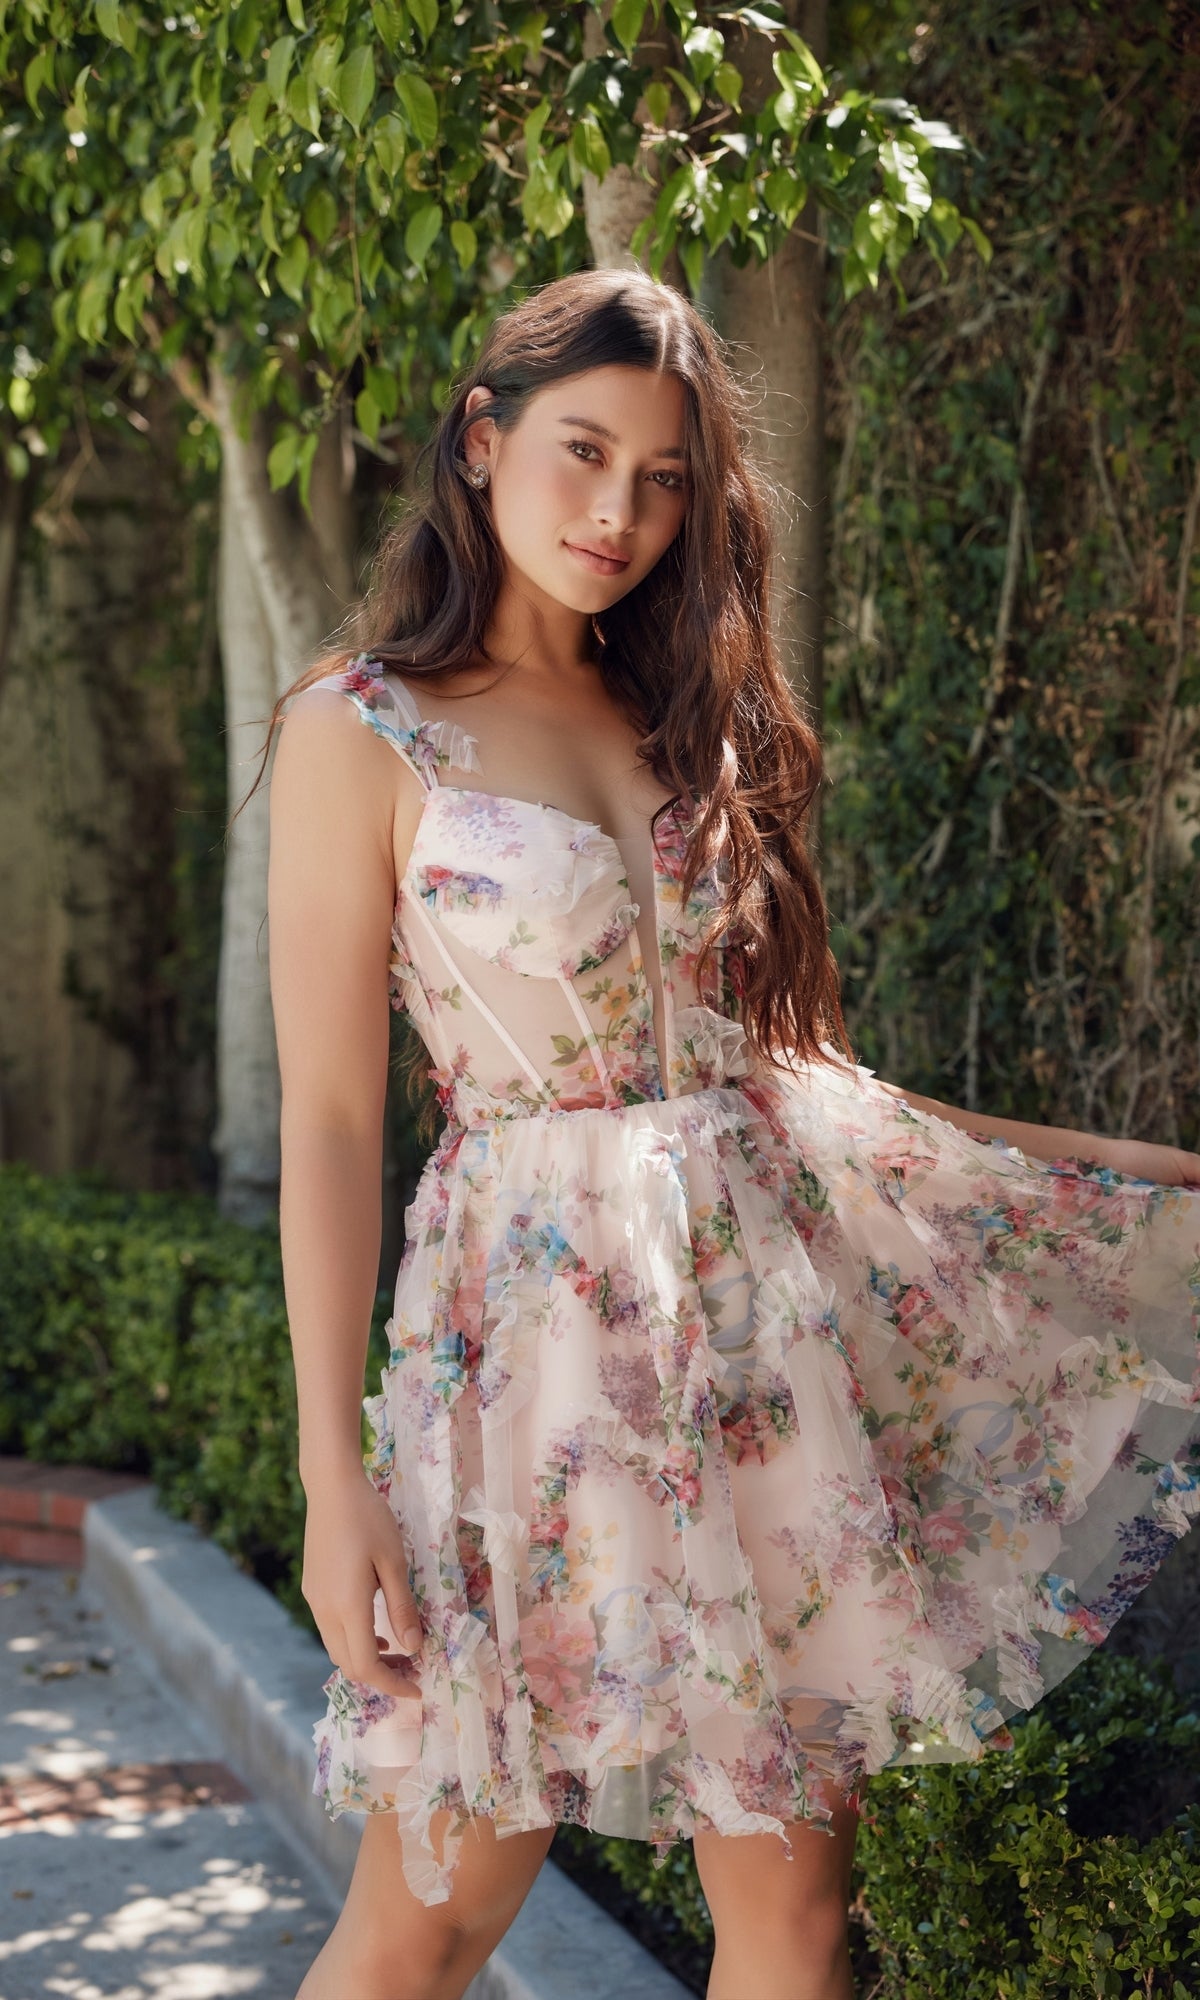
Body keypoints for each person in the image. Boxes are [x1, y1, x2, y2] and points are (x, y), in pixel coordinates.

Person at [258, 268, 1200, 2000]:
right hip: (526, 1366)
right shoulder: (361, 731)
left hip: (761, 1358)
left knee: (792, 1917)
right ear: (481, 442)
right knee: (440, 1904)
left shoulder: (694, 710)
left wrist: (1132, 1182)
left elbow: (800, 1080)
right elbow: (328, 1120)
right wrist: (334, 1479)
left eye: (666, 475)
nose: (619, 511)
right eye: (582, 452)